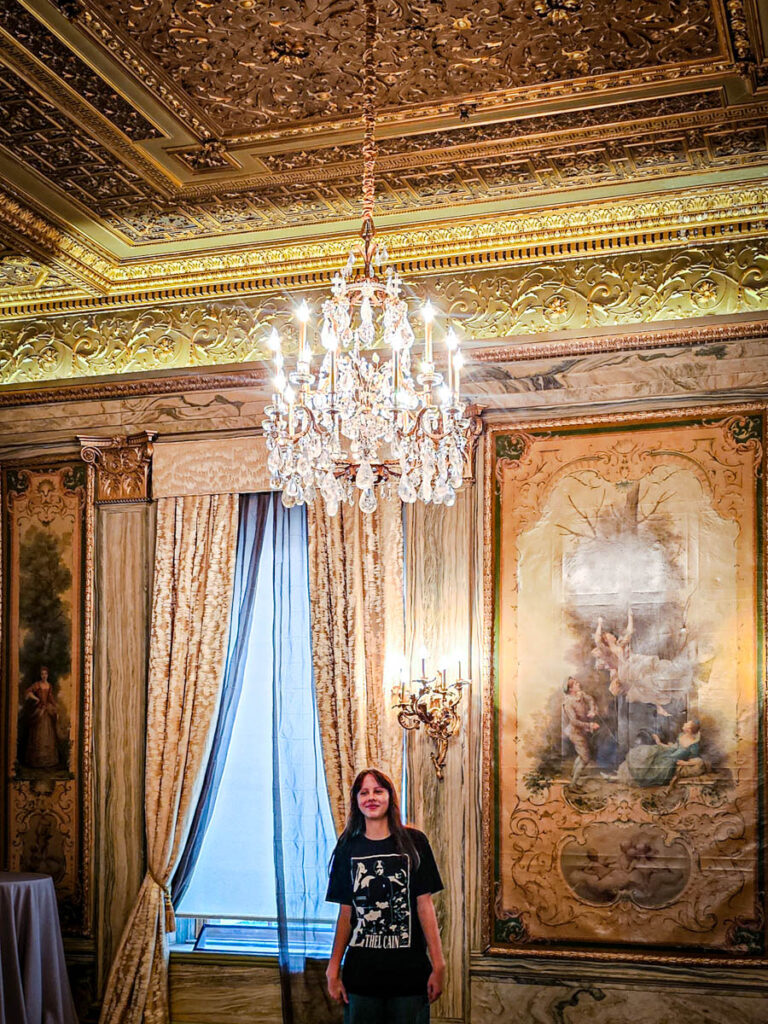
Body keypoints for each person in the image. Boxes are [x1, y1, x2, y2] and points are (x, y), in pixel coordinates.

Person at [326, 768, 445, 1024]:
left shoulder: (415, 842)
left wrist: (439, 964)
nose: (371, 797)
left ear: (389, 796)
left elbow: (424, 906)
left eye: (378, 791)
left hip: (410, 976)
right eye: (364, 792)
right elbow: (346, 913)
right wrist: (333, 968)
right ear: (356, 801)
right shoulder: (348, 847)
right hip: (361, 978)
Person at [617, 720, 703, 788]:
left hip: (670, 761)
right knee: (648, 754)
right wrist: (659, 743)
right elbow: (673, 747)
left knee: (653, 771)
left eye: (687, 724)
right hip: (668, 753)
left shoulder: (693, 745)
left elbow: (697, 760)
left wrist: (685, 763)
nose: (684, 723)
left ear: (689, 730)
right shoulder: (681, 735)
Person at [562, 677, 599, 786]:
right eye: (576, 684)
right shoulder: (568, 703)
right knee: (585, 758)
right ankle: (573, 785)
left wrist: (592, 710)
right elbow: (574, 722)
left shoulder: (580, 694)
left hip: (582, 731)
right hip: (575, 732)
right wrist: (590, 725)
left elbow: (591, 699)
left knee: (582, 754)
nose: (579, 684)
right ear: (571, 689)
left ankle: (573, 775)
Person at [22, 666, 59, 769]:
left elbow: (50, 698)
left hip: (46, 711)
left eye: (45, 674)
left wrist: (55, 706)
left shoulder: (49, 685)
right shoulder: (37, 684)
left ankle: (47, 761)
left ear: (48, 675)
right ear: (40, 675)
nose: (44, 676)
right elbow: (28, 692)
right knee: (38, 734)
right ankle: (36, 761)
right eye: (42, 674)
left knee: (47, 734)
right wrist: (36, 699)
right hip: (39, 711)